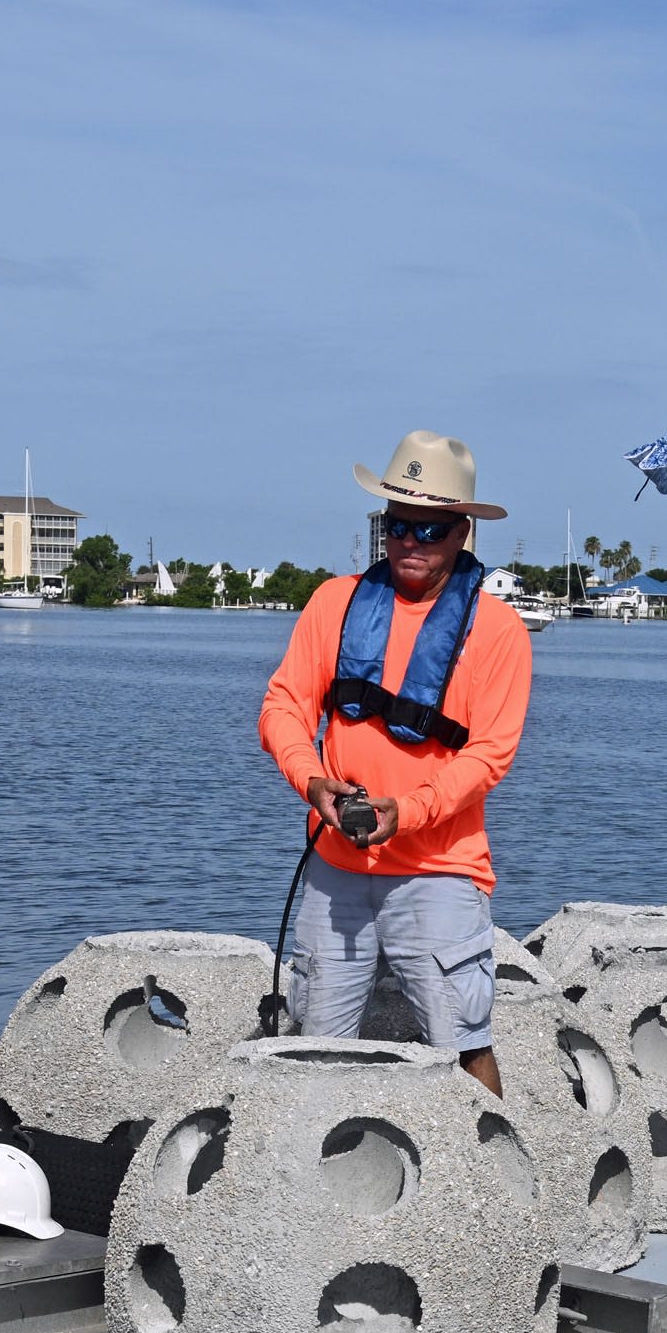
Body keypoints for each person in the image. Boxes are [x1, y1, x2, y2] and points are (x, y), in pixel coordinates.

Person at [259, 431, 534, 1095]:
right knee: (316, 1051)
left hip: (439, 873)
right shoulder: (333, 603)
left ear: (462, 532)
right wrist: (312, 781)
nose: (411, 543)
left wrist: (407, 812)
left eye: (431, 530)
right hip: (335, 872)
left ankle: (495, 1183)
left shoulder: (499, 634)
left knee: (464, 1047)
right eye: (398, 526)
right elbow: (282, 708)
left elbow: (489, 757)